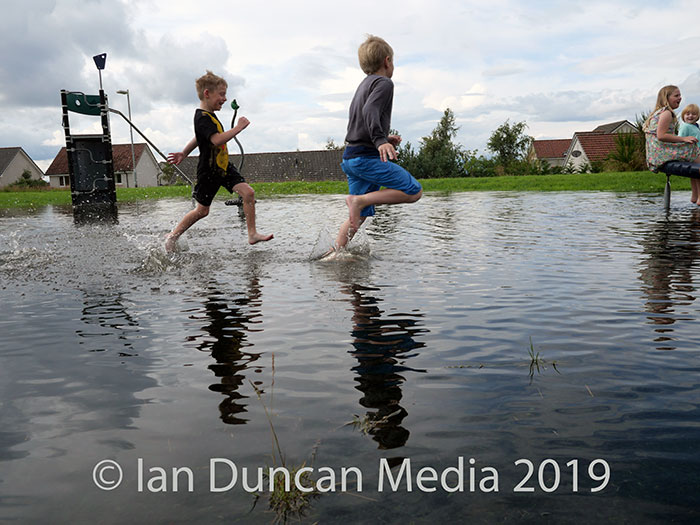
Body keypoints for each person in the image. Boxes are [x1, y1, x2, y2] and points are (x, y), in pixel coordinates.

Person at [331, 35, 422, 252]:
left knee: (359, 216)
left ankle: (337, 253)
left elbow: (360, 118)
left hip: (352, 156)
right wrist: (380, 140)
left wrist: (380, 139)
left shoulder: (363, 85)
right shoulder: (384, 83)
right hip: (365, 159)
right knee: (413, 191)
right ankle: (358, 201)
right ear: (387, 61)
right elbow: (370, 111)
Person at [165, 70, 273, 252]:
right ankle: (172, 236)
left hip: (223, 166)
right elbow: (216, 140)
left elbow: (198, 138)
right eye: (221, 94)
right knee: (202, 211)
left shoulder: (209, 116)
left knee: (248, 193)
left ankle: (252, 234)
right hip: (209, 171)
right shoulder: (201, 117)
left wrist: (184, 153)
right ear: (207, 93)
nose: (224, 99)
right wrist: (238, 128)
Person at [643, 85, 700, 203]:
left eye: (680, 95)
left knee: (693, 155)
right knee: (694, 151)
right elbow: (661, 135)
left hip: (655, 153)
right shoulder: (667, 113)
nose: (680, 98)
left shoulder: (658, 113)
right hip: (661, 153)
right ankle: (699, 196)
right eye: (676, 95)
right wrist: (683, 139)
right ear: (666, 98)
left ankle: (695, 195)